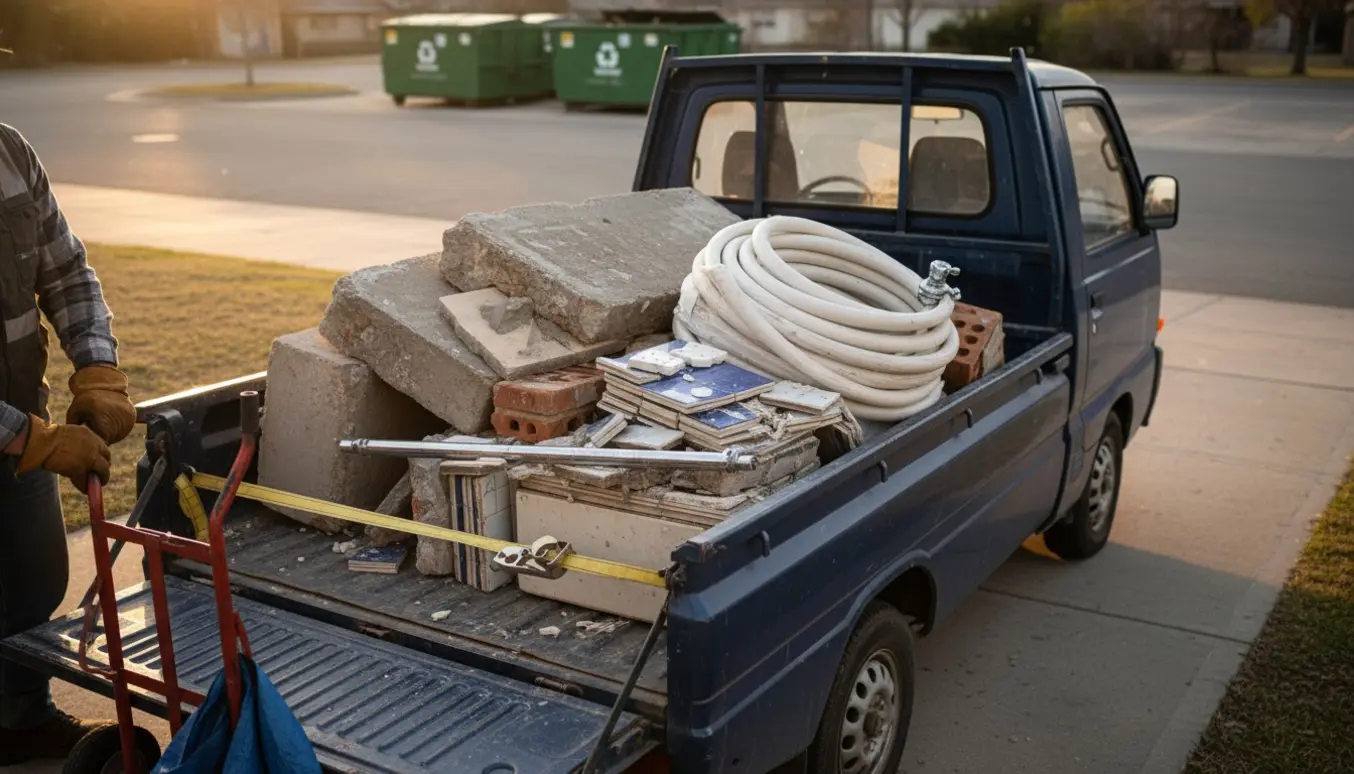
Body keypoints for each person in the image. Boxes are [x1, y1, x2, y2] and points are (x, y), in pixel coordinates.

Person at [0, 122, 137, 764]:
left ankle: (19, 722)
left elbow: (67, 271)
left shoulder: (9, 152)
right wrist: (35, 441)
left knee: (32, 585)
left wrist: (99, 371)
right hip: (23, 434)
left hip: (22, 425)